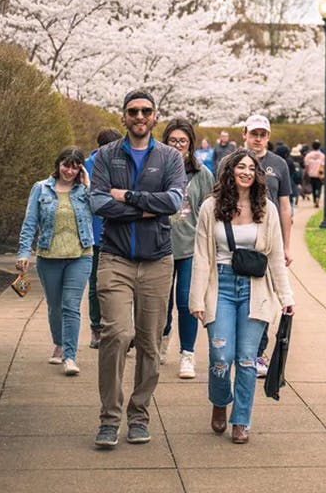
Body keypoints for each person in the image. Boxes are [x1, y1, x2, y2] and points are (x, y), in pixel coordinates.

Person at [89, 89, 187, 449]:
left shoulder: (169, 158)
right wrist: (148, 208)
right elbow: (98, 202)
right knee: (115, 334)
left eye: (146, 111)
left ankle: (139, 414)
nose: (140, 116)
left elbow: (174, 202)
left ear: (155, 116)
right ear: (124, 117)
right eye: (133, 111)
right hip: (115, 258)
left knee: (149, 341)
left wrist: (127, 197)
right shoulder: (106, 157)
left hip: (157, 261)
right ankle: (109, 418)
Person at [189, 148, 295, 445]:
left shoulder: (267, 209)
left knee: (247, 360)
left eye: (252, 168)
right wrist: (196, 298)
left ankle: (241, 420)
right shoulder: (211, 208)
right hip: (219, 286)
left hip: (255, 289)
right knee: (221, 356)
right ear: (230, 171)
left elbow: (274, 257)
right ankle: (220, 401)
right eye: (241, 167)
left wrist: (286, 297)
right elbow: (201, 255)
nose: (246, 172)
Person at [16, 147, 94, 377]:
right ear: (58, 164)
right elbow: (30, 222)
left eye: (75, 166)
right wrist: (23, 252)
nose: (69, 170)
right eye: (65, 165)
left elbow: (100, 209)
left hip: (80, 256)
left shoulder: (84, 191)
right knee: (55, 306)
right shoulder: (41, 188)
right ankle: (59, 343)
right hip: (48, 256)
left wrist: (88, 184)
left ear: (80, 168)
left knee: (71, 306)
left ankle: (70, 356)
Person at [159, 118, 216, 379]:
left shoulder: (203, 174)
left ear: (191, 144)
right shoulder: (156, 169)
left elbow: (210, 212)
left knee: (186, 301)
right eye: (173, 140)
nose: (179, 145)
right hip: (159, 245)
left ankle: (187, 355)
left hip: (190, 247)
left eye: (183, 141)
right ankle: (163, 338)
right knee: (161, 303)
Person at [240, 114, 293, 377]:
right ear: (245, 134)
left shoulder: (278, 164)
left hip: (269, 239)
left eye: (263, 134)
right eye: (254, 134)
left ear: (268, 137)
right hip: (240, 237)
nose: (258, 139)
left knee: (266, 298)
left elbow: (285, 206)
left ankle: (258, 352)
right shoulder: (234, 162)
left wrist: (286, 245)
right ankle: (243, 349)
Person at [84, 128, 122, 349]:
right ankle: (111, 327)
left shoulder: (88, 165)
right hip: (112, 231)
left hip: (94, 233)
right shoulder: (113, 164)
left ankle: (97, 329)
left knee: (96, 284)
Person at [303, 140, 326, 207]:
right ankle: (318, 198)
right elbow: (324, 165)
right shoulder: (322, 156)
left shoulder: (308, 155)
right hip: (319, 174)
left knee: (313, 188)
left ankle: (314, 200)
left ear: (312, 146)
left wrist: (306, 172)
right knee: (319, 187)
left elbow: (306, 165)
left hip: (311, 174)